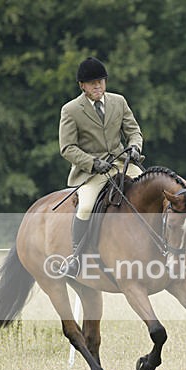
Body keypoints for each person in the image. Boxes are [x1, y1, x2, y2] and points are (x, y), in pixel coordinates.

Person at [57, 57, 144, 278]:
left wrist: (135, 147)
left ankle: (161, 245)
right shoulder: (71, 110)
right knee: (86, 207)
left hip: (122, 163)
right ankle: (76, 257)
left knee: (149, 190)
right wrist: (93, 163)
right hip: (92, 172)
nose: (97, 86)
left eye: (100, 81)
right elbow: (67, 148)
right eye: (92, 83)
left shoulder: (118, 102)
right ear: (82, 86)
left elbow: (134, 131)